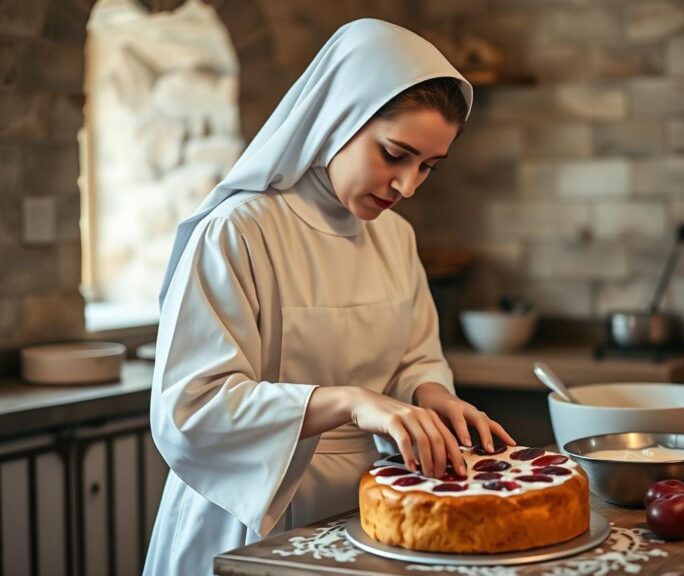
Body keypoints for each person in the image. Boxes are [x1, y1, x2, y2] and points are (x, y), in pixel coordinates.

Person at [143, 18, 515, 576]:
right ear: (338, 117)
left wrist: (430, 394)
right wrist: (352, 402)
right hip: (249, 513)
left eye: (428, 168)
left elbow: (415, 354)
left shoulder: (395, 236)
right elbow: (191, 407)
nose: (406, 186)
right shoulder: (239, 231)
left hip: (370, 511)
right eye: (394, 154)